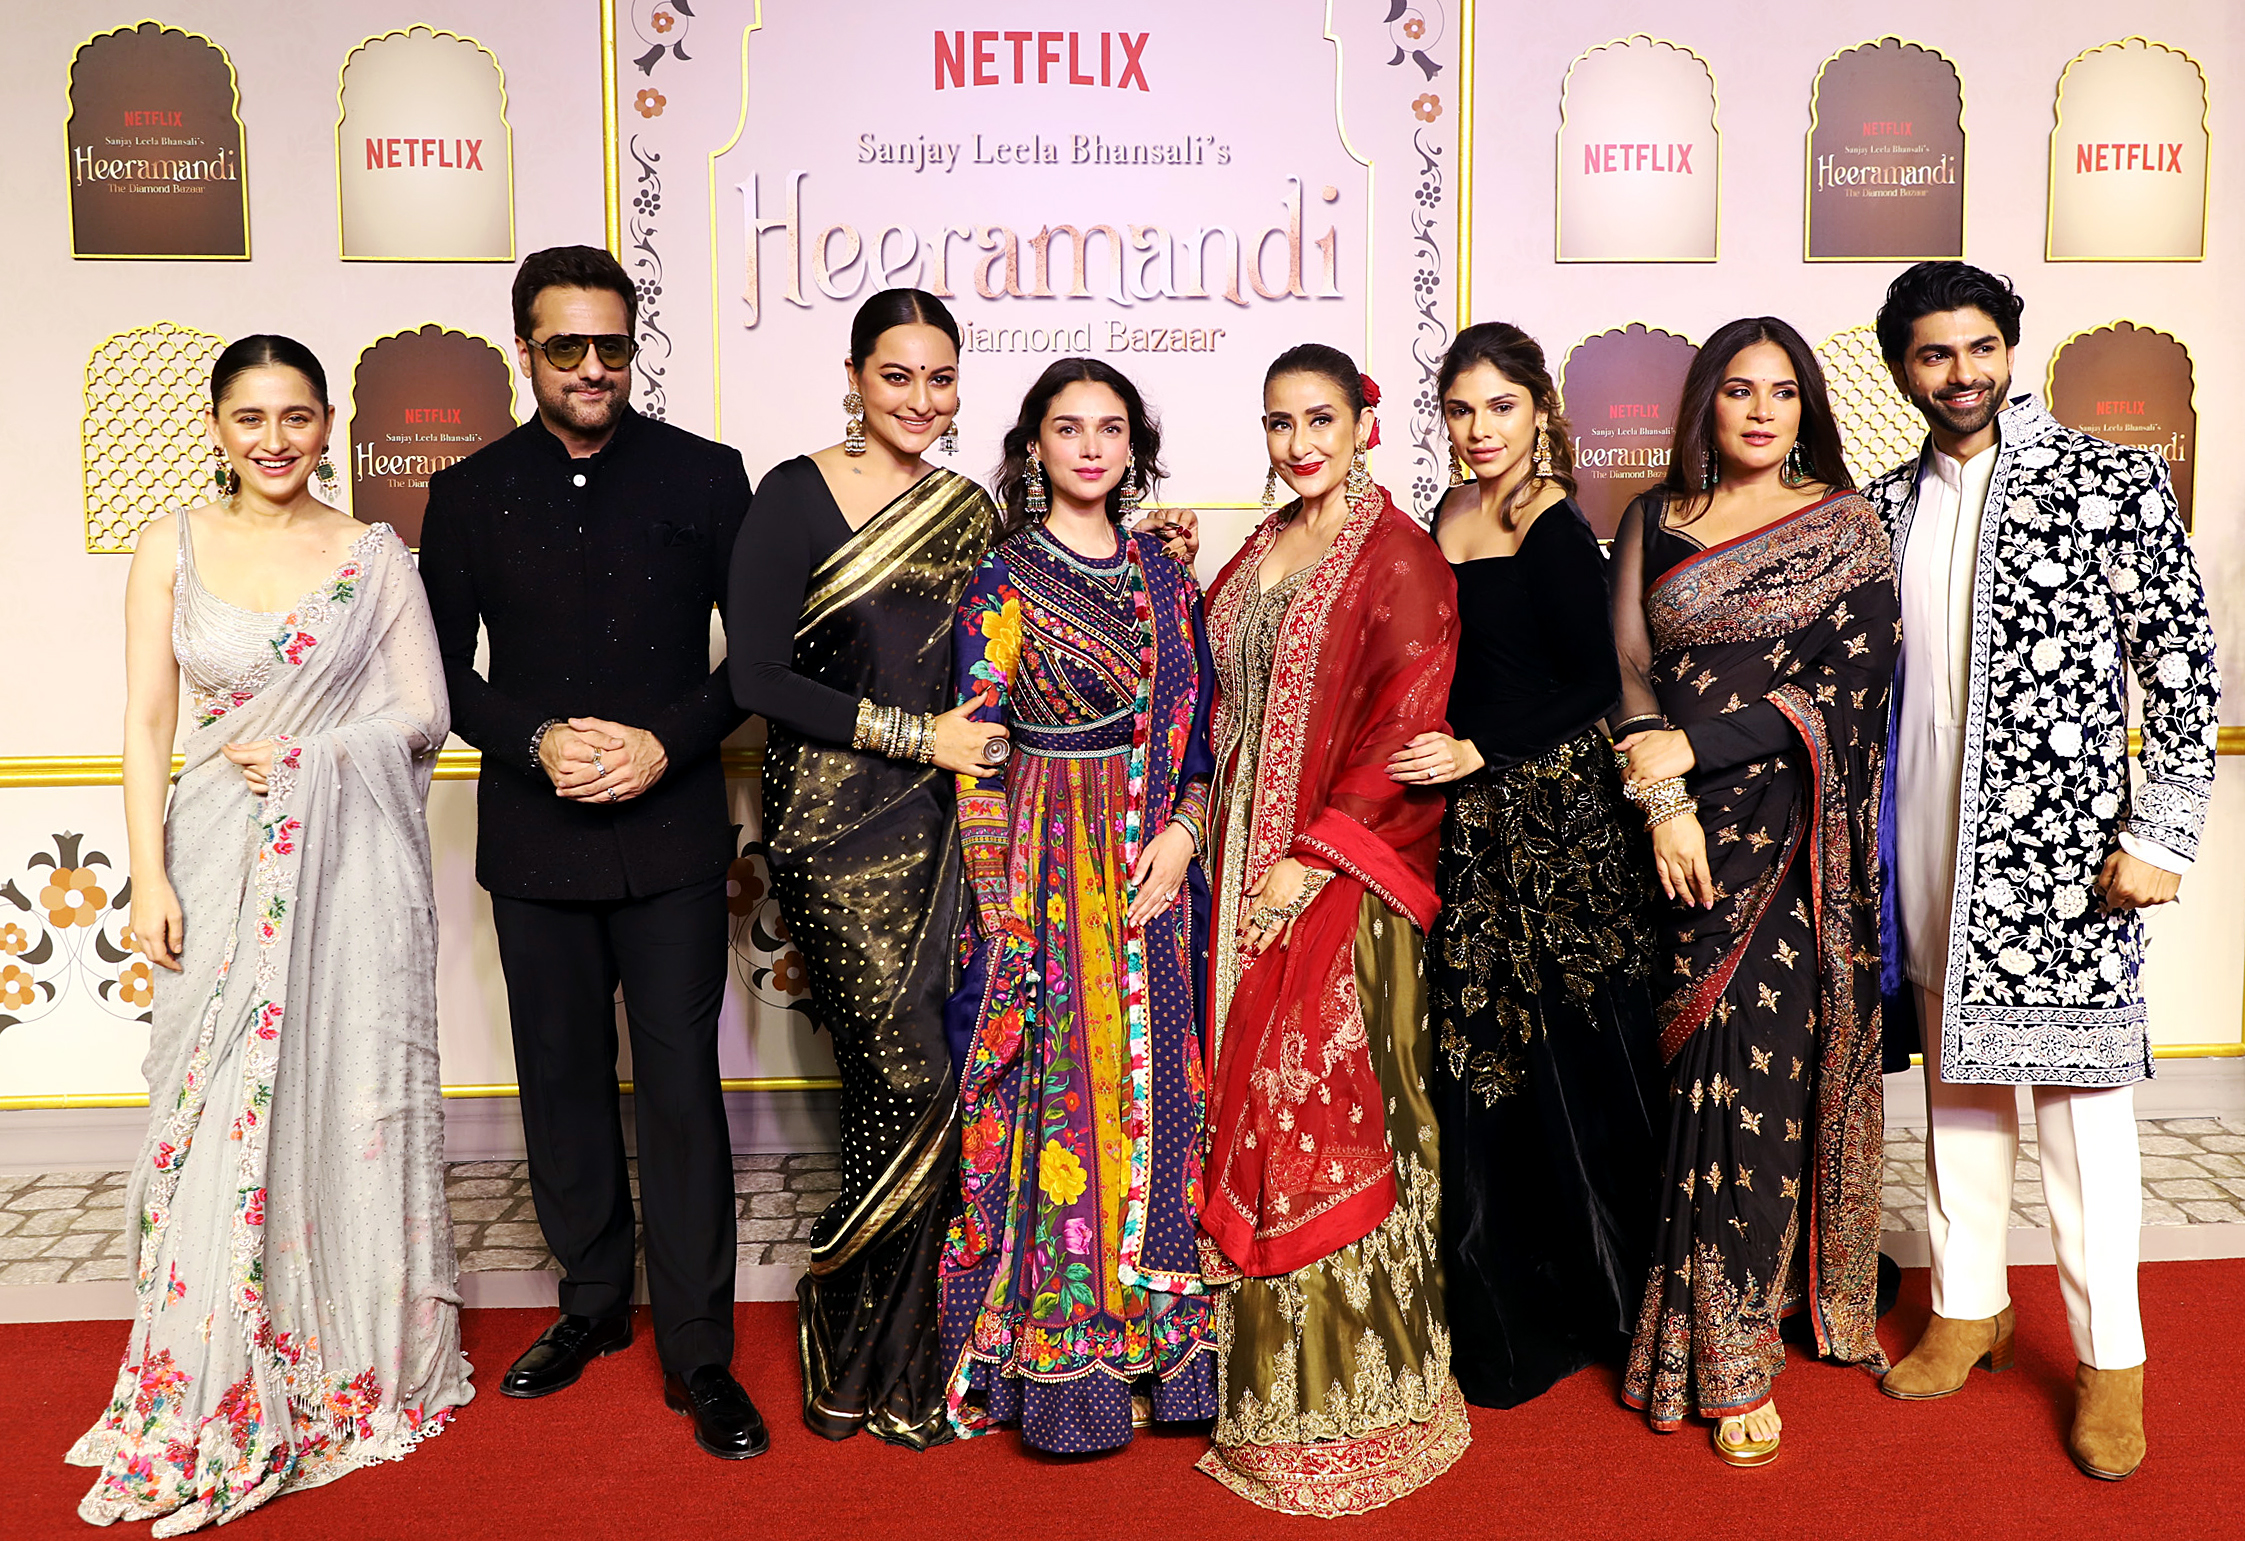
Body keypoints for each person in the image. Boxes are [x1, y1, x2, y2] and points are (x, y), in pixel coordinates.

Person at [729, 293, 1200, 1448]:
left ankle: (940, 1352)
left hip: (988, 833)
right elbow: (758, 679)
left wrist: (1163, 546)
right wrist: (934, 763)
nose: (920, 397)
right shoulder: (802, 497)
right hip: (855, 832)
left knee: (996, 1085)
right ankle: (861, 1338)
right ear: (855, 376)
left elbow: (1155, 681)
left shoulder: (974, 515)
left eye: (940, 378)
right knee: (915, 1080)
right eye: (897, 375)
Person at [72, 336, 472, 1530]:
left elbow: (425, 713)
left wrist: (310, 757)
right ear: (214, 427)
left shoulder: (372, 556)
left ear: (329, 423)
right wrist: (146, 873)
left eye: (297, 416)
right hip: (209, 847)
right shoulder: (172, 546)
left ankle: (335, 1356)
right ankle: (202, 1361)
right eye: (250, 418)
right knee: (205, 1101)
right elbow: (148, 721)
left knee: (340, 1092)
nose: (275, 440)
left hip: (347, 874)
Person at [1864, 263, 2218, 1481]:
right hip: (1921, 843)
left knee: (2081, 1120)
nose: (1960, 373)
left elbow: (2180, 654)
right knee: (1956, 1094)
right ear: (1902, 369)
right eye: (1933, 353)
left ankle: (2111, 1359)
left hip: (2062, 859)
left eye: (1979, 347)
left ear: (2010, 350)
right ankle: (1967, 1306)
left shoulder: (2104, 478)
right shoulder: (1883, 504)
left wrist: (2162, 832)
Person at [418, 246, 765, 1460]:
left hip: (672, 837)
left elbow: (756, 660)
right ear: (525, 350)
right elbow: (440, 674)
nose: (592, 367)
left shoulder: (706, 474)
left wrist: (665, 743)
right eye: (566, 346)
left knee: (680, 1089)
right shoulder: (467, 493)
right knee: (560, 1082)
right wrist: (536, 737)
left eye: (611, 344)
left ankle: (701, 1349)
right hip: (535, 834)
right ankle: (591, 1302)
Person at [1609, 317, 1897, 1466]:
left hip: (1788, 839)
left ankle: (1732, 1348)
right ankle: (1703, 1302)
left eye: (1782, 391)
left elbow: (1853, 689)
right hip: (1672, 839)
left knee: (1752, 1075)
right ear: (1705, 403)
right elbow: (1629, 672)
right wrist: (1661, 798)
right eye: (1739, 390)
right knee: (1685, 1076)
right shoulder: (1653, 516)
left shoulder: (1844, 528)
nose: (1762, 411)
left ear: (1805, 405)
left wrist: (1697, 748)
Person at [1195, 345, 1470, 1516]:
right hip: (1233, 869)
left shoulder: (1399, 557)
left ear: (1365, 423)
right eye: (1279, 422)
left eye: (1320, 419)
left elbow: (1406, 724)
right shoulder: (1262, 546)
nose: (1299, 443)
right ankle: (1232, 1377)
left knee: (1316, 1103)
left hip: (1338, 880)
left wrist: (1306, 865)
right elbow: (1221, 691)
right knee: (1239, 1103)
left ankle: (1356, 1393)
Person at [938, 358, 1217, 1452]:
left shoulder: (1165, 574)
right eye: (1068, 428)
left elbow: (1200, 733)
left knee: (1156, 1092)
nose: (1091, 447)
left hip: (1148, 860)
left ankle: (1164, 1359)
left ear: (1132, 444)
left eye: (1110, 428)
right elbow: (978, 748)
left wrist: (1183, 833)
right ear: (1034, 447)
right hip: (1045, 864)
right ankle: (1063, 1368)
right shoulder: (1000, 578)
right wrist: (999, 903)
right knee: (1061, 1097)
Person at [1392, 322, 1663, 1409]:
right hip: (1471, 826)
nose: (1479, 428)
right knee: (1484, 1051)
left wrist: (1480, 748)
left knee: (1580, 1048)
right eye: (1460, 410)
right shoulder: (1446, 512)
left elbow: (1594, 682)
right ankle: (1509, 1297)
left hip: (1555, 822)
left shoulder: (1551, 524)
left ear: (1540, 411)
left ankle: (1624, 1298)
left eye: (1499, 407)